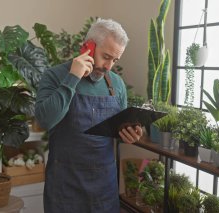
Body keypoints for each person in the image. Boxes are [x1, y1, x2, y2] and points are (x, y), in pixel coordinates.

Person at [34, 18, 143, 213]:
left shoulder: (116, 85)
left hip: (104, 189)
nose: (109, 66)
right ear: (87, 47)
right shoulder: (54, 76)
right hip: (64, 189)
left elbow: (117, 128)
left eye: (115, 60)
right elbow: (44, 120)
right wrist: (73, 78)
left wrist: (129, 134)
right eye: (106, 56)